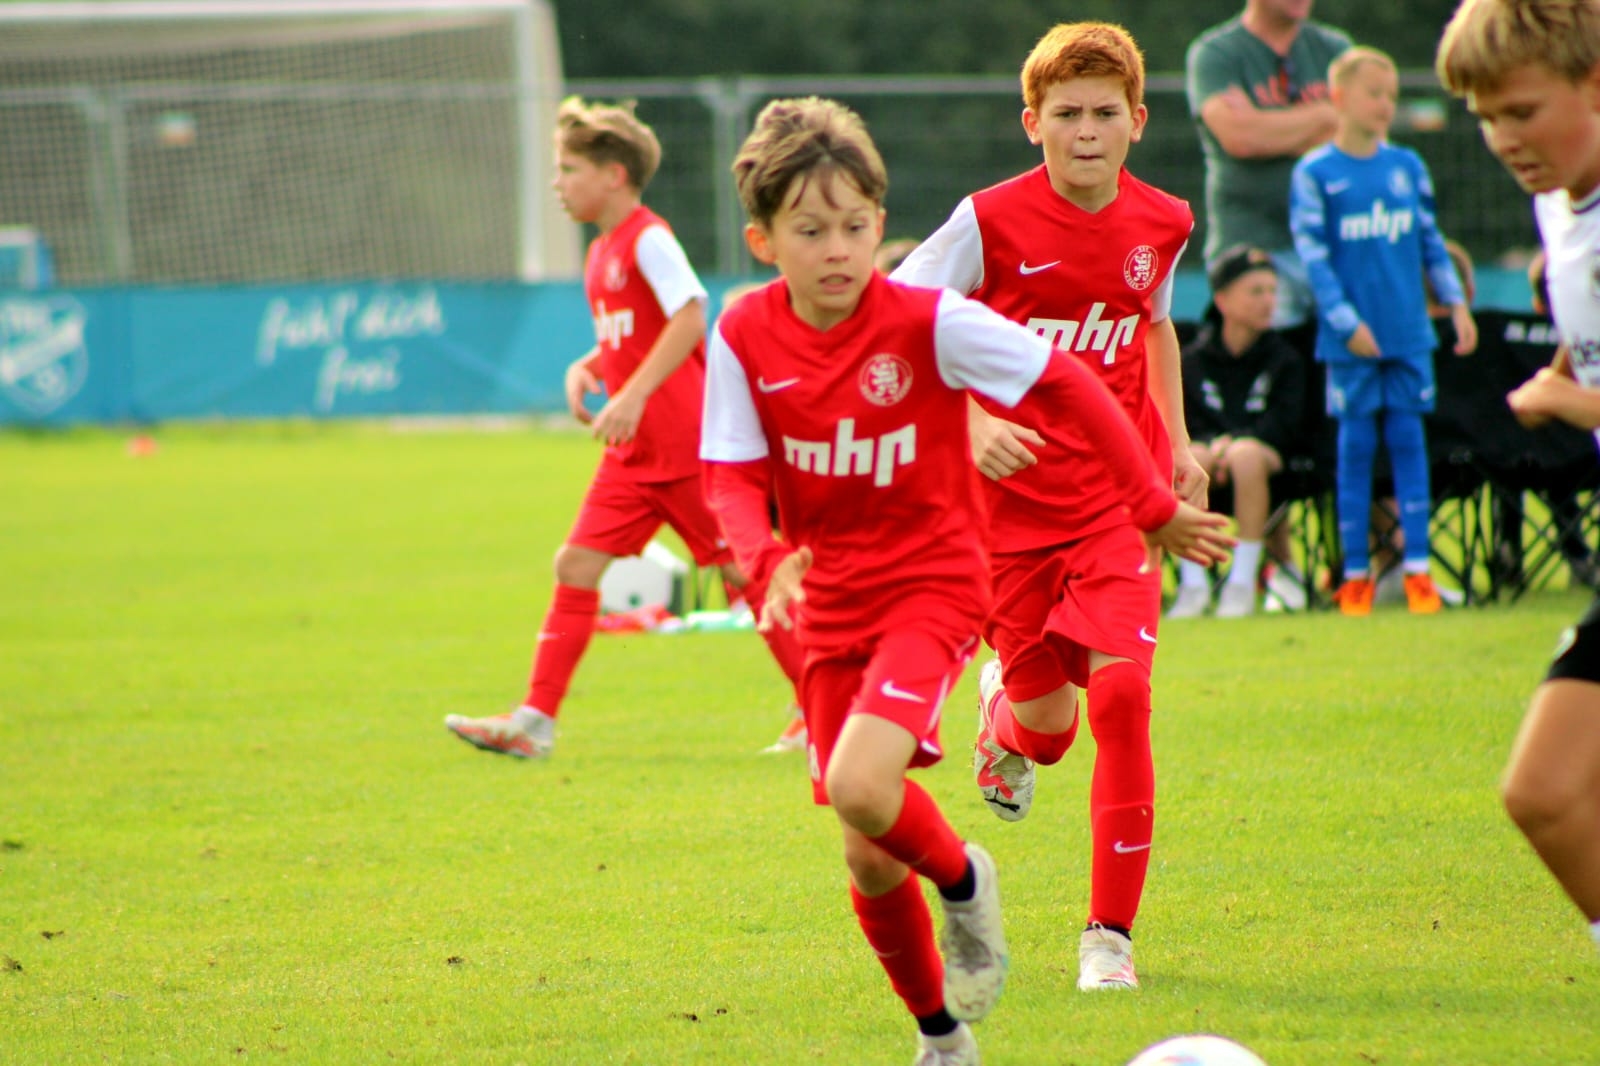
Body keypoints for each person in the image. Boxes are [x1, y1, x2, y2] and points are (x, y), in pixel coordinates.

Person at [702, 96, 1225, 1064]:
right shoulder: (741, 335)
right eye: (809, 231)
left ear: (878, 224)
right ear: (762, 241)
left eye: (854, 226)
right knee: (865, 846)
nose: (836, 250)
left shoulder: (928, 320)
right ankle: (942, 1036)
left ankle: (965, 884)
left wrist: (1151, 502)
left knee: (863, 781)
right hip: (830, 604)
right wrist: (765, 558)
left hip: (932, 586)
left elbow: (1066, 382)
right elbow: (728, 476)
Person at [892, 21, 1236, 992]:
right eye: (1066, 114)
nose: (1086, 131)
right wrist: (965, 423)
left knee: (1123, 700)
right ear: (1031, 122)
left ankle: (1107, 941)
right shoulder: (985, 223)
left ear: (1138, 121)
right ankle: (1002, 712)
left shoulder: (1164, 221)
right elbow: (895, 323)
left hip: (1115, 501)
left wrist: (1175, 443)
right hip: (1003, 518)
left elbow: (1154, 326)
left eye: (1104, 113)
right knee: (1048, 733)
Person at [444, 96, 802, 759]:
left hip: (686, 447)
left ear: (613, 175)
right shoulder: (601, 250)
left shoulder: (648, 237)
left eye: (568, 169)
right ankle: (535, 721)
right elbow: (636, 335)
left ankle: (823, 704)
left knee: (745, 572)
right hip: (633, 456)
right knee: (576, 564)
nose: (557, 183)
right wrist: (590, 364)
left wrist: (632, 395)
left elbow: (690, 315)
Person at [1439, 0, 1600, 959]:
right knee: (1541, 793)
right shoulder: (1559, 205)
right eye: (1486, 117)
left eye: (1523, 111)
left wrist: (1574, 402)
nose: (1504, 138)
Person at [1289, 45, 1478, 617]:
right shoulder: (1315, 173)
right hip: (1351, 342)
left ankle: (1418, 571)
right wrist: (1345, 323)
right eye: (1374, 93)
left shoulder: (1406, 167)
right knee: (1354, 451)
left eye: (1392, 95)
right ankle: (1355, 576)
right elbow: (1314, 258)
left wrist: (1455, 303)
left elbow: (1430, 242)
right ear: (1339, 97)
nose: (1385, 105)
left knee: (1409, 444)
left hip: (1408, 333)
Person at [1185, 0, 1351, 334]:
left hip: (1331, 244)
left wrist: (1267, 126)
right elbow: (1240, 137)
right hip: (1253, 248)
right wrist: (1324, 116)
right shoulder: (1217, 53)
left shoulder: (1335, 49)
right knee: (1269, 356)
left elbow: (1357, 135)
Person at [1169, 245, 1307, 619]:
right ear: (1223, 300)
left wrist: (1235, 442)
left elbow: (1285, 424)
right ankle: (1193, 584)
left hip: (1267, 462)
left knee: (1246, 454)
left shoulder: (1285, 358)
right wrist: (1217, 445)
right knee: (1193, 456)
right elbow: (1186, 420)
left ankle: (1242, 584)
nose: (1268, 301)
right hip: (1210, 458)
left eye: (1272, 291)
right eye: (1256, 291)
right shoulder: (1194, 359)